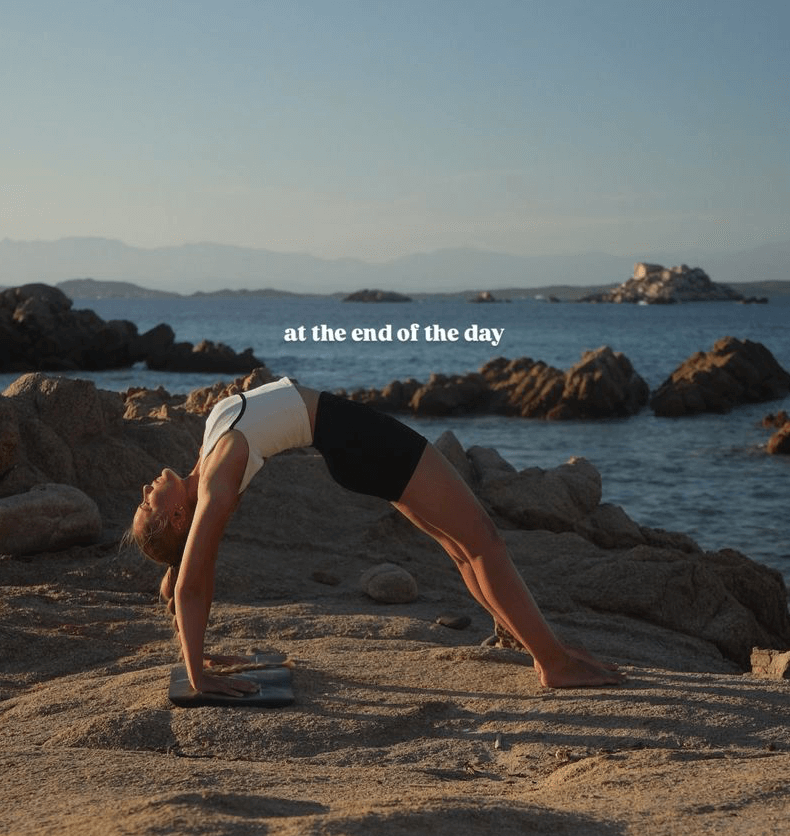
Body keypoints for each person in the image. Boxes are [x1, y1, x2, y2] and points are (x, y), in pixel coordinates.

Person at [126, 377, 622, 696]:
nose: (146, 490)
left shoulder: (205, 461)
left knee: (464, 550)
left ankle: (534, 643)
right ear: (175, 518)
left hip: (358, 444)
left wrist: (177, 591)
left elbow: (179, 579)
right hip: (367, 444)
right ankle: (552, 664)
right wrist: (197, 674)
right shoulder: (216, 480)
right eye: (147, 504)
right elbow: (194, 582)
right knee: (483, 543)